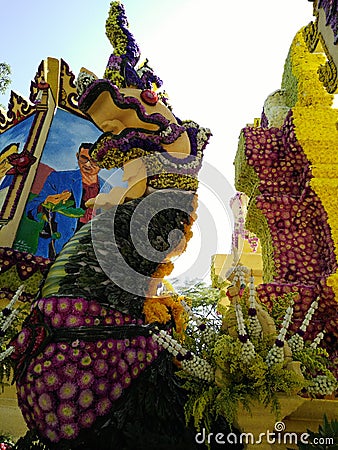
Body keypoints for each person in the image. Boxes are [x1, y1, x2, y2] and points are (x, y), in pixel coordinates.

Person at [25, 143, 109, 258]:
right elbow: (31, 209)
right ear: (77, 156)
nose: (88, 164)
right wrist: (44, 204)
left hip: (89, 252)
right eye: (84, 158)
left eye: (94, 161)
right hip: (55, 248)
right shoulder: (58, 179)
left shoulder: (108, 190)